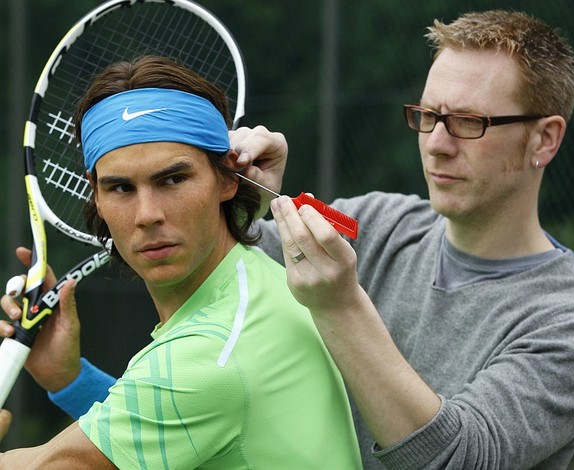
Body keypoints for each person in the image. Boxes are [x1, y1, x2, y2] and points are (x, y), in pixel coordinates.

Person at [2, 9, 574, 469]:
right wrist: (71, 378)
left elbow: (454, 458)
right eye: (427, 116)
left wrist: (340, 303)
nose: (436, 142)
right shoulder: (375, 224)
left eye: (469, 122)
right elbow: (200, 400)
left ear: (546, 138)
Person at [0, 55, 361, 468]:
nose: (147, 214)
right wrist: (70, 380)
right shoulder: (260, 283)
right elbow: (179, 424)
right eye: (120, 188)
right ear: (96, 196)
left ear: (227, 177)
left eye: (172, 179)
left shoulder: (211, 352)